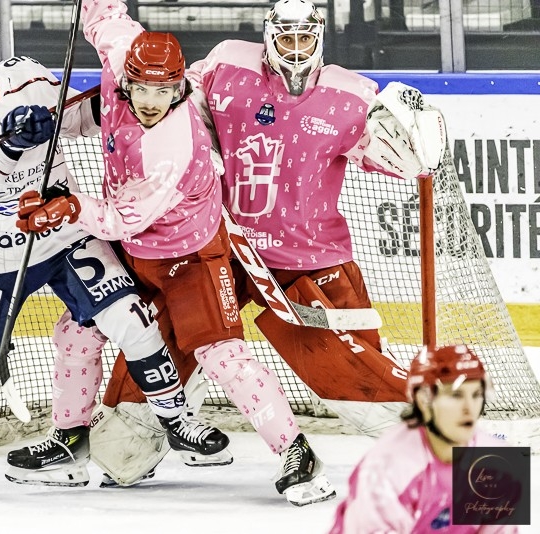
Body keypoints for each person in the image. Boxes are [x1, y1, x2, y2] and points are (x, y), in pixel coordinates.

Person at [59, 0, 449, 498]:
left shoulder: (350, 96)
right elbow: (179, 100)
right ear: (269, 35)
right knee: (126, 433)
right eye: (285, 37)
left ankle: (455, 447)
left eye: (304, 38)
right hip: (219, 246)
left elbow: (392, 155)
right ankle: (142, 438)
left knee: (356, 373)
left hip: (307, 260)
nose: (295, 48)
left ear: (319, 38)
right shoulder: (228, 63)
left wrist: (414, 145)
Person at [0, 0, 228, 499]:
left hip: (64, 227)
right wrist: (13, 139)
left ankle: (177, 421)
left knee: (132, 318)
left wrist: (125, 91)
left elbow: (83, 119)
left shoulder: (27, 73)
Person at [14, 0, 336, 507]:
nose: (150, 102)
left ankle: (296, 452)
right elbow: (105, 17)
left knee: (223, 355)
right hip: (132, 253)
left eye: (163, 91)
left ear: (180, 88)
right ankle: (69, 441)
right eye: (141, 89)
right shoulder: (123, 57)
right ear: (127, 79)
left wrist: (66, 208)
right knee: (77, 331)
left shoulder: (171, 145)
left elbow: (120, 218)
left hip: (190, 258)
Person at [329, 345, 517, 533]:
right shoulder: (388, 467)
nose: (469, 408)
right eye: (456, 395)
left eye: (476, 395)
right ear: (423, 400)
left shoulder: (496, 462)